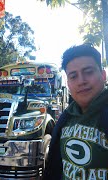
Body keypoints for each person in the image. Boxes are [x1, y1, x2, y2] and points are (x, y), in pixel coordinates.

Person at [44, 44, 108, 180]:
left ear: (103, 75)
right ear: (68, 83)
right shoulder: (65, 119)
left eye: (89, 72)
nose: (81, 81)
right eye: (73, 76)